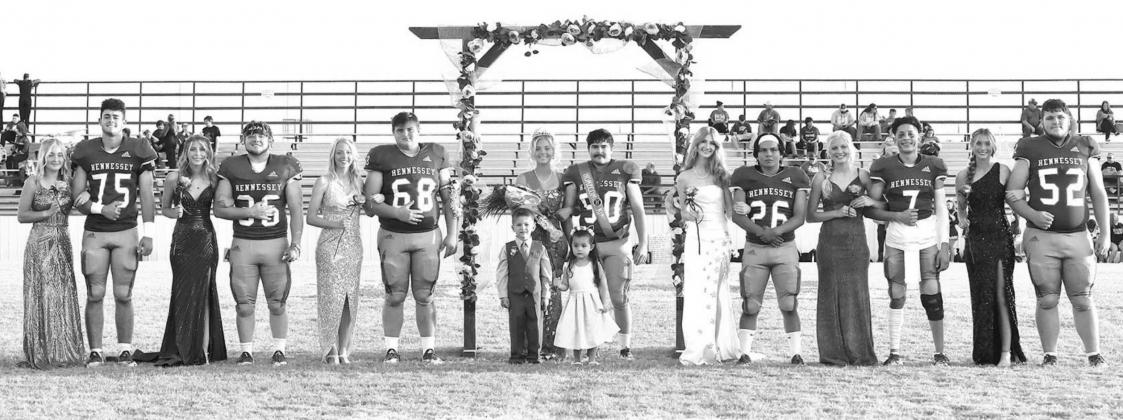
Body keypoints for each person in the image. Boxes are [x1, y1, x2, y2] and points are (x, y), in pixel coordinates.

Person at [1005, 99, 1109, 367]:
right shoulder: (1029, 146)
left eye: (1060, 117)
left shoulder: (1085, 145)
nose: (1055, 122)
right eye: (1050, 118)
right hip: (1042, 237)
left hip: (1078, 235)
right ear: (1042, 121)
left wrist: (1105, 233)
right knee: (1048, 298)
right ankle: (1050, 354)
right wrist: (1032, 214)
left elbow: (1098, 192)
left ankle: (1093, 353)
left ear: (1070, 119)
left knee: (1083, 299)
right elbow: (1013, 192)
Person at [363, 112, 459, 364]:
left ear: (418, 129)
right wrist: (397, 212)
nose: (406, 134)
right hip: (394, 234)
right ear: (393, 133)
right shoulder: (381, 156)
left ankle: (428, 349)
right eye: (400, 130)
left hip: (428, 235)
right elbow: (369, 202)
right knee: (394, 293)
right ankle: (391, 349)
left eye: (410, 129)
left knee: (425, 293)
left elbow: (450, 199)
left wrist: (453, 233)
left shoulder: (436, 153)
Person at [70, 98, 158, 367]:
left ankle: (124, 349)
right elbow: (76, 196)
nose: (111, 121)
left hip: (127, 231)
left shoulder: (139, 149)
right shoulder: (86, 150)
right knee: (95, 293)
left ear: (125, 122)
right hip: (96, 231)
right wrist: (100, 209)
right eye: (106, 116)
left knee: (123, 294)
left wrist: (150, 232)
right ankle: (95, 350)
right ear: (99, 120)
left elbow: (146, 194)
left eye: (116, 117)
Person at [214, 121, 304, 367]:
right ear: (243, 140)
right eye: (251, 135)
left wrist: (295, 244)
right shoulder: (231, 166)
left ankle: (279, 350)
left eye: (261, 135)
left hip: (276, 243)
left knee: (277, 302)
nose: (256, 139)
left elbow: (296, 210)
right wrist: (250, 212)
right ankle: (246, 351)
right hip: (243, 244)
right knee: (244, 304)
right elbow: (219, 208)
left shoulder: (286, 165)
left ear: (271, 140)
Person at [867, 116, 953, 366]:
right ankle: (894, 352)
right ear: (893, 137)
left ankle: (939, 352)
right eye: (901, 134)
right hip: (896, 235)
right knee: (896, 293)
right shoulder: (883, 166)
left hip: (926, 234)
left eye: (910, 133)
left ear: (920, 136)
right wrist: (896, 215)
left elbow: (940, 209)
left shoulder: (934, 164)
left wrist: (945, 245)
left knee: (932, 293)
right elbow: (871, 209)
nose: (906, 138)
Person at [560, 128, 649, 360]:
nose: (599, 151)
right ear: (588, 148)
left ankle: (624, 347)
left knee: (619, 297)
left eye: (603, 147)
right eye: (594, 147)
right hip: (587, 247)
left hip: (616, 242)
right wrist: (572, 244)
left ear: (612, 148)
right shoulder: (576, 172)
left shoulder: (626, 170)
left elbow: (638, 209)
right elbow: (567, 211)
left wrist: (644, 243)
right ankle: (590, 346)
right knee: (586, 297)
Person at [729, 133, 811, 365]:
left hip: (784, 246)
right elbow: (736, 214)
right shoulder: (743, 175)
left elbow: (799, 216)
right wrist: (761, 232)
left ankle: (796, 353)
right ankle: (744, 352)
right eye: (763, 150)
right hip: (755, 247)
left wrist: (775, 232)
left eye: (773, 150)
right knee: (751, 303)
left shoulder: (796, 175)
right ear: (756, 153)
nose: (768, 154)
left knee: (789, 302)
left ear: (781, 152)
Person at [145, 135, 227, 366]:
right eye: (193, 149)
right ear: (186, 152)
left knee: (205, 293)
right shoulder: (174, 177)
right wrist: (176, 212)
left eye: (202, 149)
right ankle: (183, 345)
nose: (198, 154)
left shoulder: (214, 177)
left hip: (206, 241)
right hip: (182, 241)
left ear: (208, 153)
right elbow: (165, 210)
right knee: (182, 294)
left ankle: (203, 350)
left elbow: (223, 205)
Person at [805, 130, 878, 366]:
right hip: (830, 243)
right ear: (828, 151)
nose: (839, 152)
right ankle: (832, 353)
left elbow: (881, 204)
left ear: (851, 148)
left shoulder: (864, 175)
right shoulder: (820, 178)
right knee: (830, 294)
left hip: (856, 243)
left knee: (856, 294)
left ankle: (860, 352)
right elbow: (811, 216)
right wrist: (837, 212)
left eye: (843, 147)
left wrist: (870, 201)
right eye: (835, 148)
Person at [955, 128, 1026, 366]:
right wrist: (963, 219)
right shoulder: (963, 175)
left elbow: (1016, 200)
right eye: (978, 143)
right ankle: (985, 353)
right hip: (976, 241)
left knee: (1002, 293)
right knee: (981, 296)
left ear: (993, 145)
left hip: (999, 237)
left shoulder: (1003, 170)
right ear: (972, 146)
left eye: (986, 143)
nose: (982, 147)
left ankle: (1006, 352)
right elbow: (962, 209)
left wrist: (1020, 222)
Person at [672, 127, 738, 366]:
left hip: (718, 238)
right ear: (696, 145)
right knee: (697, 292)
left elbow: (729, 211)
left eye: (712, 143)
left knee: (717, 292)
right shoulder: (684, 177)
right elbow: (683, 213)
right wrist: (687, 213)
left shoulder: (722, 176)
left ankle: (717, 346)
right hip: (695, 240)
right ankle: (698, 345)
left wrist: (742, 209)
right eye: (703, 142)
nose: (707, 146)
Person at [18, 137, 85, 369]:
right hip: (39, 243)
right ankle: (40, 350)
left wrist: (86, 197)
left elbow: (83, 202)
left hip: (63, 241)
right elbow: (22, 216)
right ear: (43, 157)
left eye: (60, 154)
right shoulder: (33, 182)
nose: (56, 159)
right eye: (52, 154)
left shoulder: (69, 181)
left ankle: (64, 351)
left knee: (63, 293)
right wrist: (47, 212)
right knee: (41, 293)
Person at [307, 138, 364, 364]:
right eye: (339, 152)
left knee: (350, 299)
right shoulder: (324, 181)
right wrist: (334, 221)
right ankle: (329, 348)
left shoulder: (359, 182)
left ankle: (344, 350)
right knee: (331, 298)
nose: (344, 157)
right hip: (330, 246)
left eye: (348, 152)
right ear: (333, 155)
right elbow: (311, 216)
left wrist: (372, 200)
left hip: (354, 246)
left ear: (354, 155)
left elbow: (368, 208)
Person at [514, 130, 568, 358]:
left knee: (553, 290)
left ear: (554, 150)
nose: (543, 152)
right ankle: (529, 346)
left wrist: (561, 229)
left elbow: (569, 211)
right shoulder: (523, 179)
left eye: (547, 148)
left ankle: (552, 347)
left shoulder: (564, 178)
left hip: (555, 239)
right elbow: (518, 212)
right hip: (531, 239)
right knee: (530, 288)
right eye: (538, 148)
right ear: (532, 151)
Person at [552, 229, 617, 365]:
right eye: (575, 245)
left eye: (583, 246)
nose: (579, 249)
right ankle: (577, 359)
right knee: (577, 329)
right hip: (575, 303)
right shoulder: (569, 266)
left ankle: (592, 359)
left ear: (591, 247)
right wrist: (558, 285)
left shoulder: (594, 265)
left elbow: (603, 284)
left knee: (592, 329)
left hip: (592, 302)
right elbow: (566, 285)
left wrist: (604, 302)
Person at [497, 208, 553, 364]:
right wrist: (503, 295)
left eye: (527, 224)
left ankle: (534, 355)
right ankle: (516, 355)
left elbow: (546, 274)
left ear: (534, 227)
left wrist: (545, 295)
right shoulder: (507, 249)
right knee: (516, 324)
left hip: (535, 294)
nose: (523, 228)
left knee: (535, 324)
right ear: (512, 227)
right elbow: (501, 273)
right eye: (519, 225)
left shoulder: (540, 248)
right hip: (515, 294)